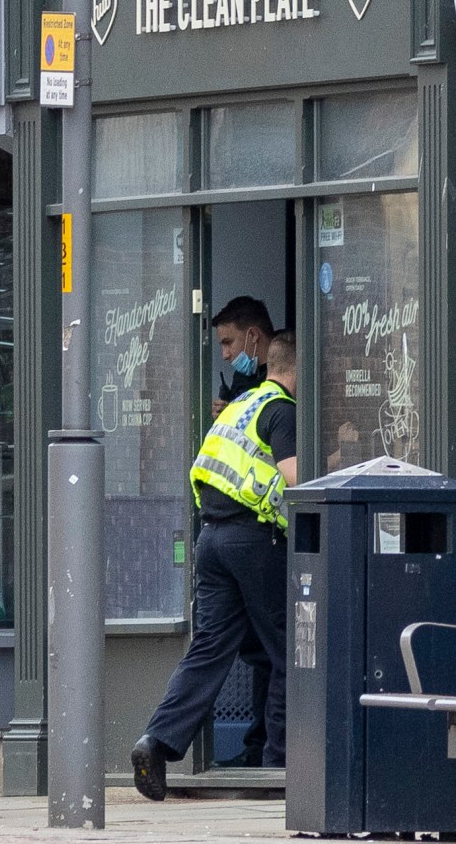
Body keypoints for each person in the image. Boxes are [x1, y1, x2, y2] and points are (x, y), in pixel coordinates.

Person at [131, 331, 297, 801]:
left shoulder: (242, 405)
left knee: (209, 648)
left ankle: (156, 742)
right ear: (297, 370)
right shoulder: (280, 409)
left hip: (211, 537)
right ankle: (277, 769)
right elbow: (295, 479)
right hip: (255, 539)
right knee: (289, 650)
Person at [211, 295, 275, 767]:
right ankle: (260, 746)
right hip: (241, 530)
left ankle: (271, 751)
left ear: (253, 336)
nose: (227, 353)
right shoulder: (243, 381)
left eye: (230, 342)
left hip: (265, 529)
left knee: (276, 649)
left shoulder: (281, 382)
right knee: (261, 649)